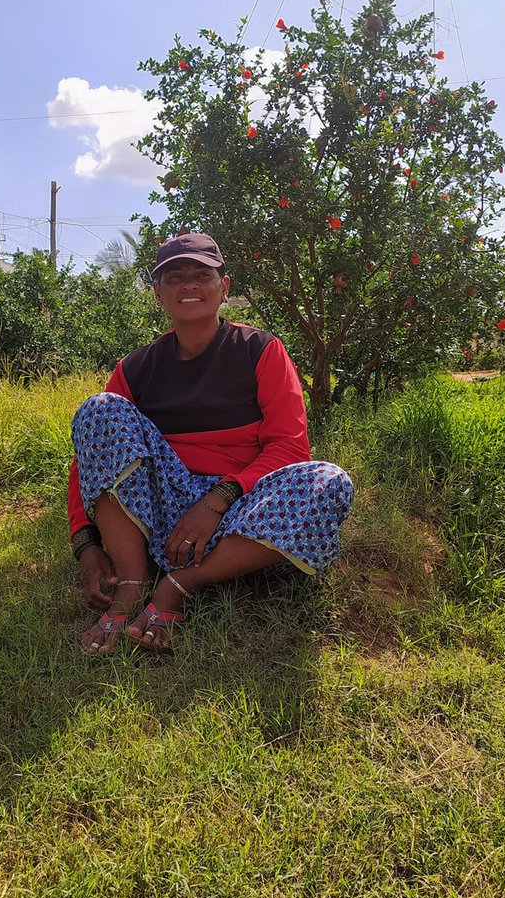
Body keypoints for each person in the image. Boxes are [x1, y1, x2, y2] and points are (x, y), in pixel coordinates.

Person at [68, 232, 354, 654]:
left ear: (224, 287)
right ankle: (132, 582)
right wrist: (86, 545)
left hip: (239, 508)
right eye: (175, 277)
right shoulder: (135, 368)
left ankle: (177, 585)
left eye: (202, 274)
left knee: (330, 481)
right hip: (161, 507)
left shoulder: (261, 351)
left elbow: (290, 449)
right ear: (157, 293)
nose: (189, 286)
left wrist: (218, 498)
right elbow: (88, 459)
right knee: (98, 409)